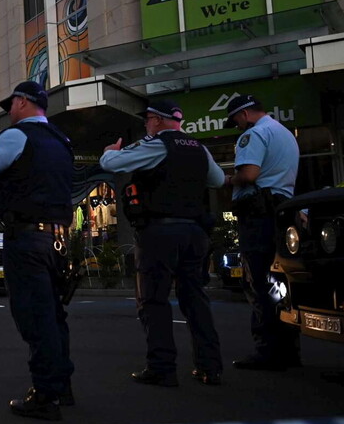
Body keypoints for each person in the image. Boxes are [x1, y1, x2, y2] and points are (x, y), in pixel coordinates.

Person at [0, 80, 75, 421]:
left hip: (27, 238)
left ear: (22, 102)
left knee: (35, 315)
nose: (8, 112)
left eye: (11, 105)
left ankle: (46, 395)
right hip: (59, 238)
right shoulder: (62, 140)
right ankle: (62, 386)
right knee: (54, 314)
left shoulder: (16, 136)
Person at [100, 99, 226, 386]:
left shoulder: (157, 145)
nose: (146, 125)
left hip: (160, 232)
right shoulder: (199, 148)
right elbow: (217, 180)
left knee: (154, 300)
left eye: (147, 120)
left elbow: (114, 164)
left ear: (157, 120)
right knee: (195, 300)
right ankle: (210, 366)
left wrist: (109, 153)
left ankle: (162, 367)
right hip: (194, 233)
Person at [224, 94, 301, 371]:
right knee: (281, 282)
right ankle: (289, 348)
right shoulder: (284, 133)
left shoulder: (254, 135)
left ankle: (267, 349)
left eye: (235, 121)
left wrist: (227, 179)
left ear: (244, 115)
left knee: (258, 281)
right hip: (282, 211)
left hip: (258, 215)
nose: (236, 127)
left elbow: (249, 174)